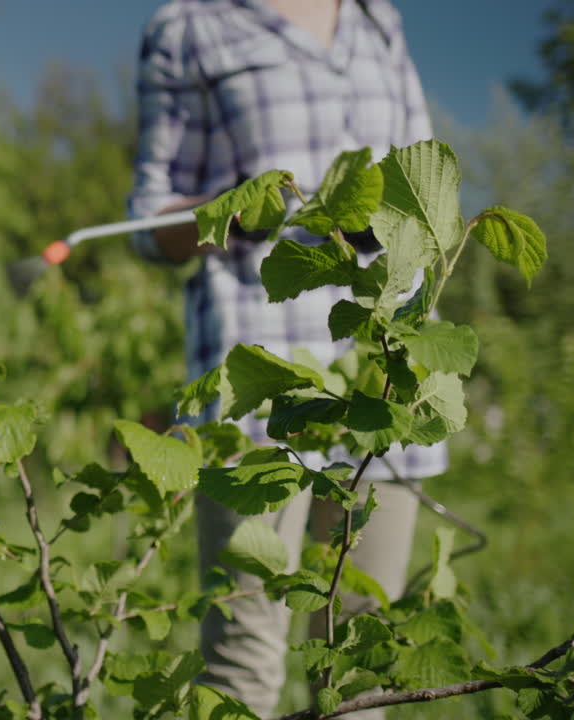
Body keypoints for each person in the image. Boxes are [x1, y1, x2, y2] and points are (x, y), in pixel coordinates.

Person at [126, 1, 447, 717]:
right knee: (243, 670)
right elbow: (147, 226)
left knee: (363, 680)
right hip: (258, 385)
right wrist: (227, 207)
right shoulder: (191, 26)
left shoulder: (377, 22)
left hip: (383, 378)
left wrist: (383, 220)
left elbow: (429, 197)